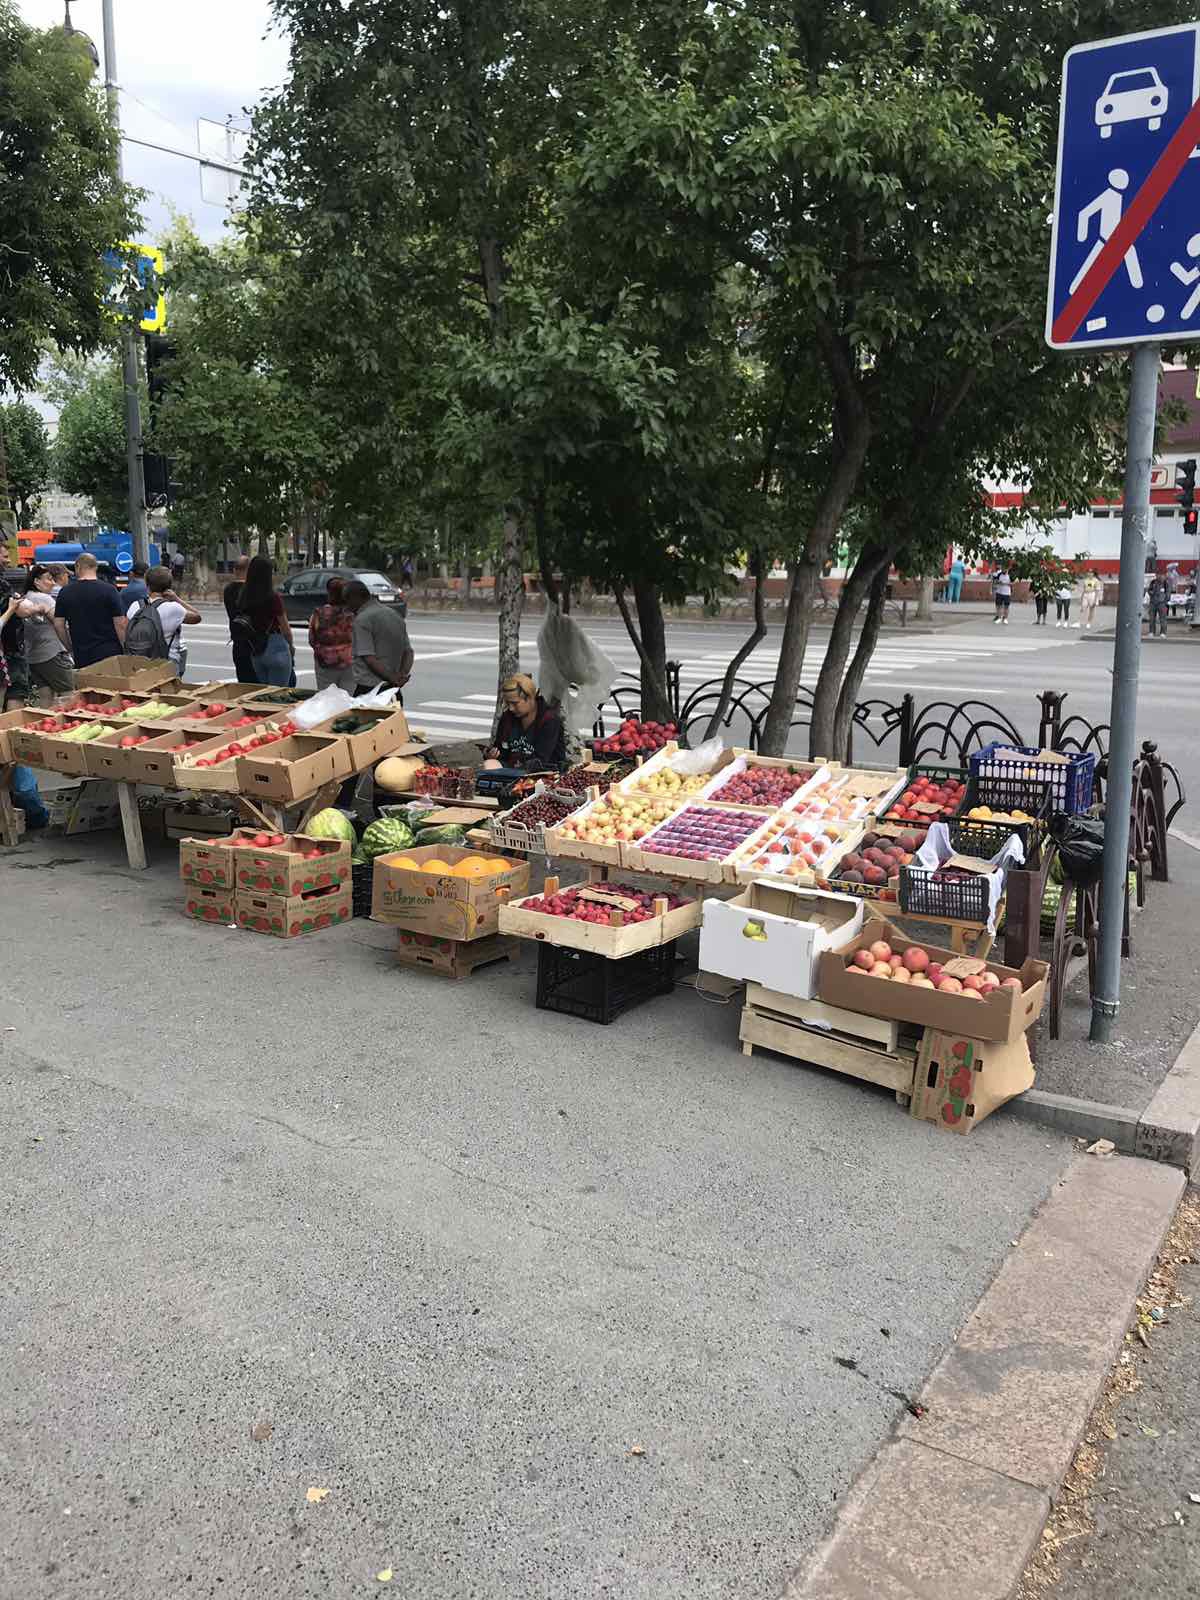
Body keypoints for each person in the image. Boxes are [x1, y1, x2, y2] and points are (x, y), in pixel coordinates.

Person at [126, 565, 202, 677]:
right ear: (169, 587)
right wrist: (177, 598)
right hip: (167, 662)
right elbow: (197, 617)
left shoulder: (135, 606)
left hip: (140, 662)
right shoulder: (174, 608)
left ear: (147, 585)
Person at [52, 553, 125, 668]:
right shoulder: (110, 590)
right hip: (110, 652)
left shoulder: (65, 592)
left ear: (77, 567)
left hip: (82, 654)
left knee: (87, 685)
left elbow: (58, 625)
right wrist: (124, 646)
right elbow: (120, 623)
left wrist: (70, 647)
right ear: (95, 567)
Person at [483, 674, 566, 772]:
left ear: (530, 698)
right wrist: (491, 755)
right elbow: (502, 751)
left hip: (543, 773)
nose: (511, 708)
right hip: (511, 771)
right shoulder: (507, 718)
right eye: (508, 703)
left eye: (515, 703)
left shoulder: (549, 720)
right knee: (489, 764)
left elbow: (542, 760)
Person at [344, 578, 413, 697]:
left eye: (347, 600)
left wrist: (394, 679)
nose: (347, 606)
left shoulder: (362, 620)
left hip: (370, 691)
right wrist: (401, 675)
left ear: (354, 597)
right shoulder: (394, 615)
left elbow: (370, 659)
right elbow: (408, 652)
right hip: (393, 691)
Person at [231, 555, 294, 685]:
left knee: (264, 694)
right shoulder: (273, 597)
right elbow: (285, 628)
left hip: (256, 650)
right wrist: (291, 646)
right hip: (276, 646)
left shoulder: (244, 595)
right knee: (278, 696)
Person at [15, 565, 75, 698]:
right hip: (52, 652)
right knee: (69, 695)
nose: (53, 583)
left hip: (34, 656)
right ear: (36, 581)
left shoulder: (26, 598)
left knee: (46, 698)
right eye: (49, 579)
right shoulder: (44, 599)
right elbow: (59, 623)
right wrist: (69, 647)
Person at [308, 577, 356, 691]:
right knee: (347, 699)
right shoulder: (353, 613)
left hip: (325, 662)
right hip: (349, 662)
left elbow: (312, 639)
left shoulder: (319, 613)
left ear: (329, 593)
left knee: (327, 700)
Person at [223, 556, 253, 681]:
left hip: (238, 642)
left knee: (243, 681)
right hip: (254, 644)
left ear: (235, 570)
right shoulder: (254, 590)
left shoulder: (228, 590)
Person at [1146, 571, 1171, 639]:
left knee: (1162, 619)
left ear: (1164, 576)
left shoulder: (1166, 583)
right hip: (1153, 603)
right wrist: (1151, 593)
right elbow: (1149, 590)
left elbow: (1168, 593)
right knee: (1151, 618)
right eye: (1158, 575)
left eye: (1161, 575)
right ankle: (1151, 631)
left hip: (1161, 603)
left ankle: (1163, 632)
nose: (1160, 576)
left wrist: (1165, 600)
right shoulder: (1153, 582)